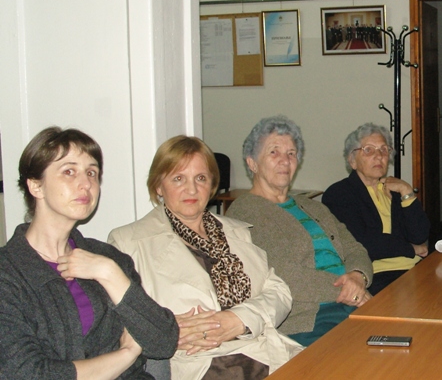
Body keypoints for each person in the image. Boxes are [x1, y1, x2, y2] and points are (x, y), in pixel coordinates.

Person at [109, 136, 302, 379]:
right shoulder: (128, 242)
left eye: (200, 178)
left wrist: (239, 320)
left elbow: (279, 292)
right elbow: (119, 322)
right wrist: (166, 330)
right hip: (200, 365)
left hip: (265, 351)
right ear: (158, 185)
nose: (192, 189)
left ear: (211, 184)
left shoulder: (236, 231)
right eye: (178, 178)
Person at [0, 127, 178, 379]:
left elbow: (163, 343)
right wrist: (126, 354)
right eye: (69, 171)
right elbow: (30, 373)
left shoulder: (108, 258)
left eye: (92, 173)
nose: (86, 184)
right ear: (36, 186)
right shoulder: (8, 273)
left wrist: (109, 273)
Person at [226, 116, 373, 346]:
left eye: (291, 153)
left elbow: (354, 248)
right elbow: (278, 273)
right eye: (273, 152)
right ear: (252, 163)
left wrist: (358, 276)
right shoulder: (244, 211)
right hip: (308, 318)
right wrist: (348, 290)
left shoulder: (314, 206)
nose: (285, 160)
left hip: (353, 302)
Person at [322, 123, 430, 295]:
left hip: (416, 268)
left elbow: (420, 235)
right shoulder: (339, 194)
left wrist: (407, 192)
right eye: (368, 150)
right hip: (377, 276)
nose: (379, 156)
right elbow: (363, 244)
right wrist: (412, 249)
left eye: (384, 150)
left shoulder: (395, 189)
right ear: (352, 160)